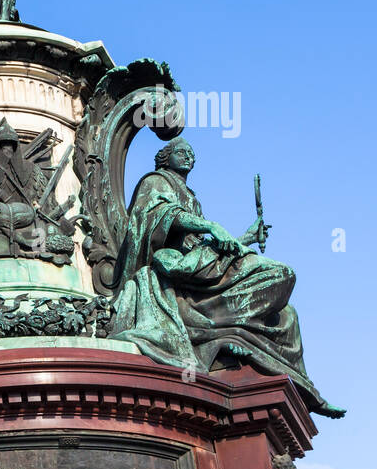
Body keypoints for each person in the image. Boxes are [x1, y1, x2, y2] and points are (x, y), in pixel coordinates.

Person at [110, 138, 342, 417]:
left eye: (192, 153)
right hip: (182, 271)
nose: (189, 157)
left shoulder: (190, 194)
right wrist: (212, 226)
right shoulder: (155, 181)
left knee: (287, 313)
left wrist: (245, 237)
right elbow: (159, 216)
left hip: (202, 267)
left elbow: (203, 239)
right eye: (181, 152)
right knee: (281, 274)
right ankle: (222, 336)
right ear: (164, 158)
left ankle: (306, 390)